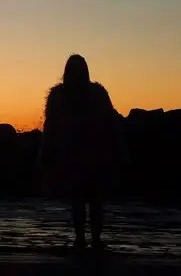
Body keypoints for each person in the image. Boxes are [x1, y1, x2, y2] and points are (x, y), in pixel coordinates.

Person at [38, 53, 124, 249]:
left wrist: (45, 154)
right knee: (91, 201)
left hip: (83, 154)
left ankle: (84, 240)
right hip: (86, 154)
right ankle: (91, 240)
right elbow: (112, 123)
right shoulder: (92, 94)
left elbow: (50, 127)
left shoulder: (63, 96)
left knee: (83, 201)